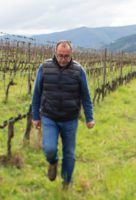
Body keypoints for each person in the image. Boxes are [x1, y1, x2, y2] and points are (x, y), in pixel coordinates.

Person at [31, 40, 95, 190]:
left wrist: (89, 118)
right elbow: (37, 94)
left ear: (71, 54)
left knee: (69, 153)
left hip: (70, 119)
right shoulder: (45, 68)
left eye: (66, 56)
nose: (63, 59)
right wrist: (35, 116)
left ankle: (67, 182)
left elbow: (86, 96)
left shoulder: (78, 70)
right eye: (60, 56)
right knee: (49, 149)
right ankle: (53, 161)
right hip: (49, 117)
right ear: (55, 53)